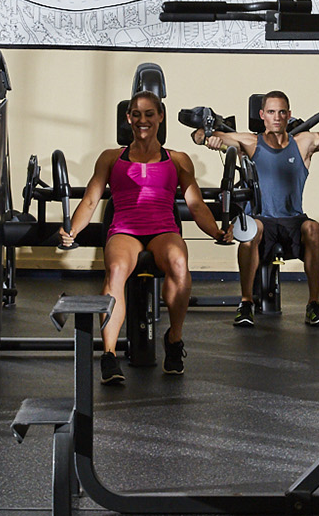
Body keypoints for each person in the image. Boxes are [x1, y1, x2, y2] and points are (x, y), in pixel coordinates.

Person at [61, 91, 228, 385]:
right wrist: (72, 230)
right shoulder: (111, 158)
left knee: (179, 263)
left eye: (149, 114)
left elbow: (196, 204)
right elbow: (90, 200)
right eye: (136, 114)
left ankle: (174, 340)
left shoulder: (178, 160)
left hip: (163, 229)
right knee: (115, 270)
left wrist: (216, 231)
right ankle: (109, 355)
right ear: (128, 118)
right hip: (125, 229)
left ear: (160, 117)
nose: (143, 120)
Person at [193, 91, 319, 329]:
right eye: (271, 112)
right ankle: (246, 303)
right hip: (262, 220)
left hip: (293, 220)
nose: (276, 117)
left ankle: (314, 305)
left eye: (281, 112)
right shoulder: (250, 142)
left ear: (289, 115)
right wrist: (207, 138)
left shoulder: (303, 143)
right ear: (262, 115)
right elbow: (199, 136)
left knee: (314, 228)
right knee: (250, 231)